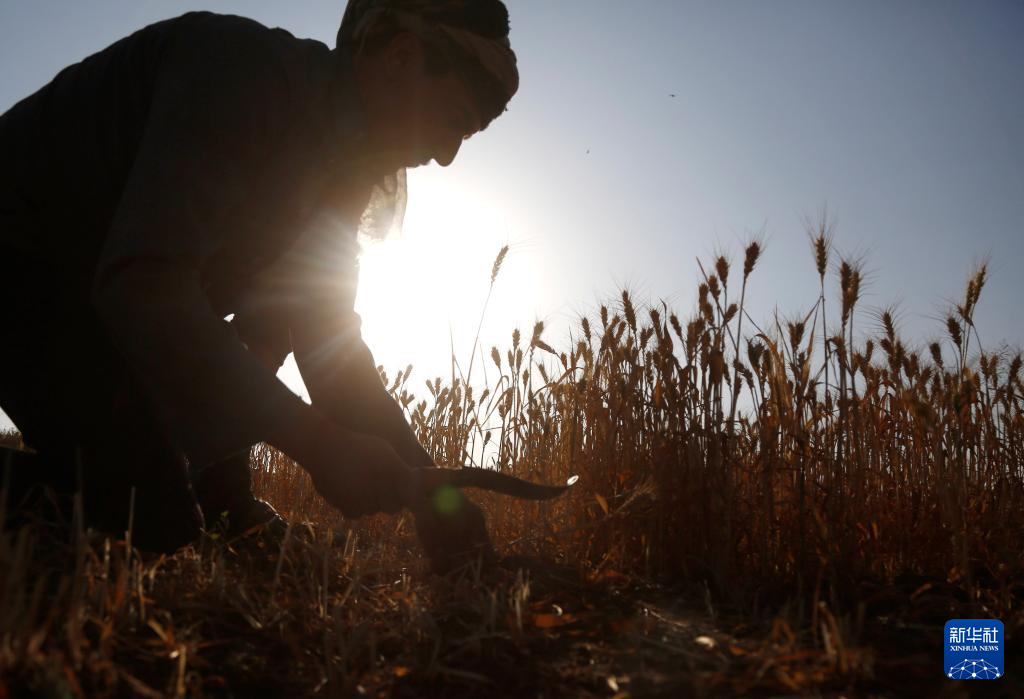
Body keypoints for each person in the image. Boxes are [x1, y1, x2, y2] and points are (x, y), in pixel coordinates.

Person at [0, 0, 517, 556]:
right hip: (22, 267)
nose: (446, 155)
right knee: (148, 515)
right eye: (454, 119)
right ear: (401, 57)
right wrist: (318, 444)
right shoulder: (243, 72)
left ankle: (221, 501)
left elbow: (329, 348)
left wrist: (435, 499)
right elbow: (142, 284)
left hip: (88, 306)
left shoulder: (341, 180)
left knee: (263, 329)